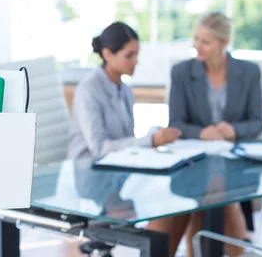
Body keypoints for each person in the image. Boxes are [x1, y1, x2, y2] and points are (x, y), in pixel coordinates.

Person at [67, 21, 187, 256]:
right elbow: (99, 148)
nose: (136, 62)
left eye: (137, 54)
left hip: (118, 173)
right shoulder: (88, 90)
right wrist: (150, 140)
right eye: (129, 55)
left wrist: (151, 138)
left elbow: (126, 138)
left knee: (175, 201)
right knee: (164, 205)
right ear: (107, 54)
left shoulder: (124, 88)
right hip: (91, 176)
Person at [168, 11, 262, 256]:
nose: (196, 46)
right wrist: (201, 132)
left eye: (205, 41)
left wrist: (233, 129)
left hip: (235, 160)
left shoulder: (249, 73)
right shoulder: (181, 73)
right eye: (196, 38)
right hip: (195, 160)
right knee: (212, 197)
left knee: (218, 195)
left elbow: (257, 122)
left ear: (224, 43)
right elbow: (176, 123)